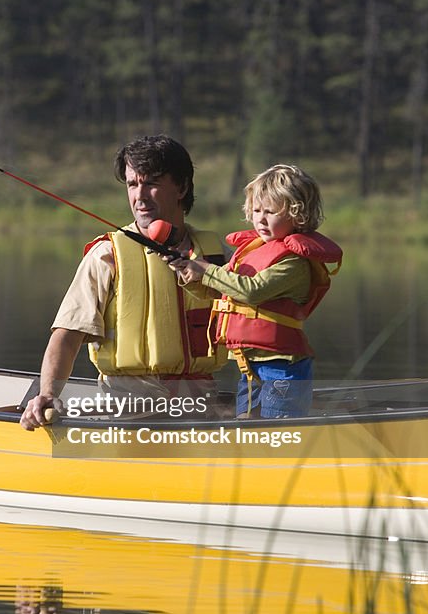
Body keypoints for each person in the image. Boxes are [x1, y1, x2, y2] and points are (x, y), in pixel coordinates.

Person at [20, 136, 227, 430]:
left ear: (181, 187)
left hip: (202, 407)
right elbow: (67, 336)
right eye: (132, 184)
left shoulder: (217, 255)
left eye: (152, 183)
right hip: (127, 410)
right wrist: (48, 394)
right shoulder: (106, 255)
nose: (139, 196)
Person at [168, 163, 342, 419]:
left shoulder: (294, 263)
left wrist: (205, 270)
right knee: (248, 435)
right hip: (249, 366)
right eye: (256, 210)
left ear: (298, 214)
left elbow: (252, 291)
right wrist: (188, 272)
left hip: (283, 370)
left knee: (276, 437)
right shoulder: (250, 251)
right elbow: (220, 291)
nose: (260, 218)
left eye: (270, 212)